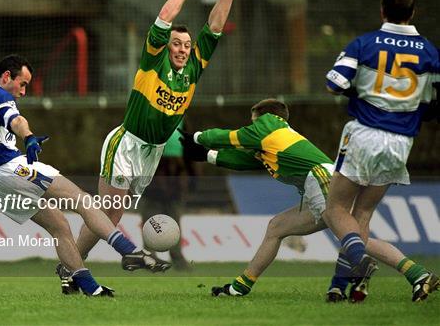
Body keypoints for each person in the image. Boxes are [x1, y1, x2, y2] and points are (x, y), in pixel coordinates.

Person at [179, 98, 439, 302]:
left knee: (355, 240)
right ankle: (240, 287)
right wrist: (207, 156)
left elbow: (233, 137)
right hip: (320, 182)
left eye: (253, 121)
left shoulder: (268, 124)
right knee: (277, 227)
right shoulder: (273, 140)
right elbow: (244, 160)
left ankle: (403, 271)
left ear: (266, 117)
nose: (252, 126)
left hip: (321, 180)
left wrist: (199, 137)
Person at [0, 55, 170, 298]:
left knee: (59, 225)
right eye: (23, 84)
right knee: (83, 201)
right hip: (9, 167)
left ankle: (90, 288)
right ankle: (130, 251)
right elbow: (15, 119)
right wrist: (28, 137)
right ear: (6, 76)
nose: (23, 92)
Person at [75, 0, 243, 261]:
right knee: (109, 212)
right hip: (127, 143)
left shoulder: (193, 68)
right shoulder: (153, 60)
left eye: (187, 45)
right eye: (176, 44)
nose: (182, 49)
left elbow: (215, 26)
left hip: (153, 151)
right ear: (166, 46)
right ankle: (72, 265)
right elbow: (164, 17)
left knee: (111, 215)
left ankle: (71, 265)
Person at [323, 0, 440, 299]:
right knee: (362, 216)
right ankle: (341, 285)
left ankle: (359, 263)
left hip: (364, 133)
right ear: (412, 13)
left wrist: (361, 91)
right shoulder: (429, 52)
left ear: (382, 10)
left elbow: (335, 83)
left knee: (334, 210)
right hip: (401, 142)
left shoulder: (366, 43)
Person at [138, 121, 193, 270]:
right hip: (154, 186)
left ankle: (177, 259)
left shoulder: (177, 120)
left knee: (172, 224)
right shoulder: (153, 121)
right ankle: (150, 258)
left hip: (171, 186)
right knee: (152, 223)